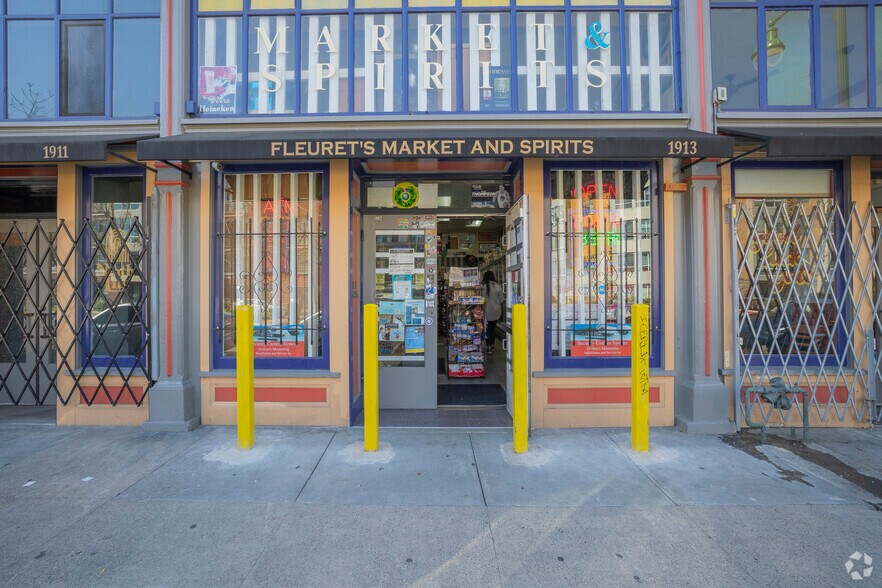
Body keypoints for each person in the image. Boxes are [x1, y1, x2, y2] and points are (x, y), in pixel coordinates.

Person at [482, 270, 505, 354]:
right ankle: (492, 346)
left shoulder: (483, 287)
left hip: (486, 312)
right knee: (493, 328)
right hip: (496, 312)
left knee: (487, 329)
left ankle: (488, 347)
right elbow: (502, 300)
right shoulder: (498, 287)